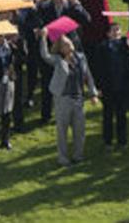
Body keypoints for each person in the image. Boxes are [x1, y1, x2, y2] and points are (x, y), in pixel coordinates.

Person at [39, 30, 99, 167]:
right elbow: (45, 55)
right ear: (60, 49)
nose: (69, 45)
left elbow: (88, 76)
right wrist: (43, 37)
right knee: (62, 131)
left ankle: (78, 156)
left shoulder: (81, 57)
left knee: (80, 130)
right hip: (63, 99)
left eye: (69, 42)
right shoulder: (57, 60)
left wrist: (93, 93)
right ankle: (63, 158)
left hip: (78, 99)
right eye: (65, 44)